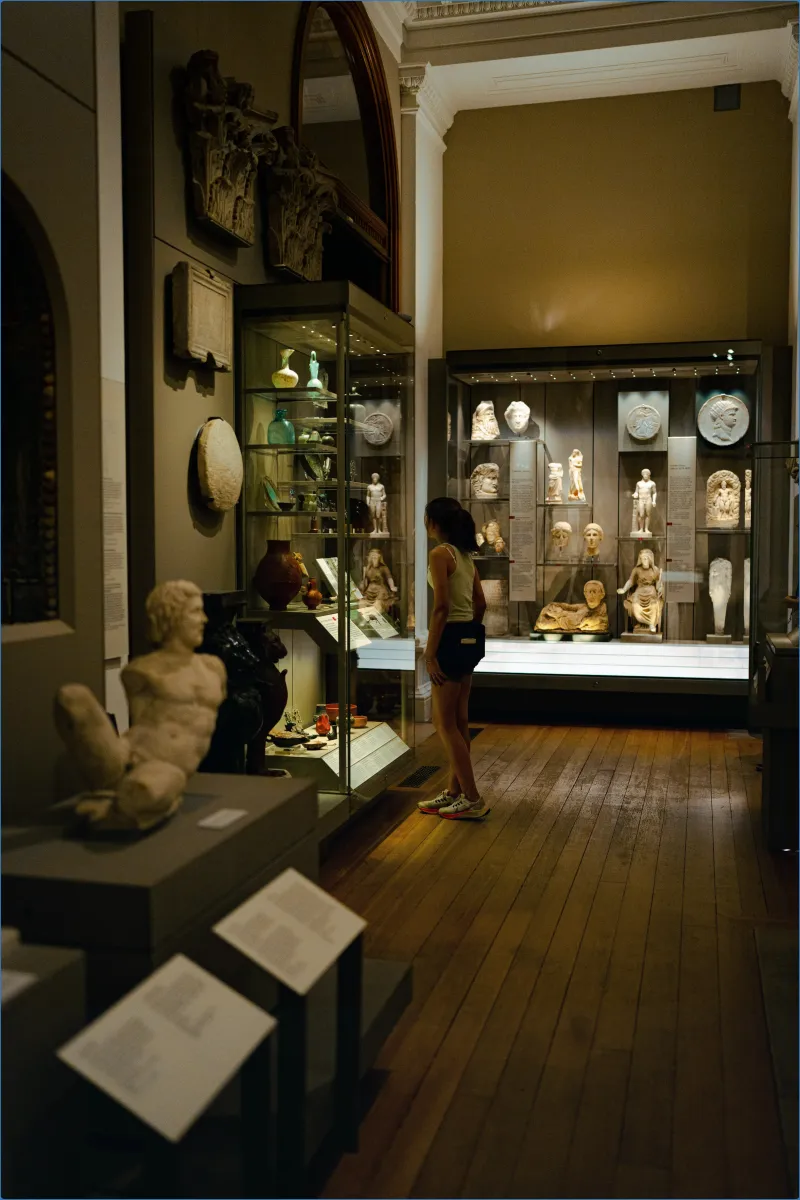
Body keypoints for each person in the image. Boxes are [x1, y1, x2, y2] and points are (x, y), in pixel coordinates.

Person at [418, 497, 489, 820]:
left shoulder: (439, 554)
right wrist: (468, 630)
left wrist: (431, 652)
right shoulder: (465, 555)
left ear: (433, 522)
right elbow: (481, 603)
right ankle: (455, 791)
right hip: (468, 640)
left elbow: (441, 606)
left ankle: (473, 798)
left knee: (444, 724)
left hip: (448, 640)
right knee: (460, 721)